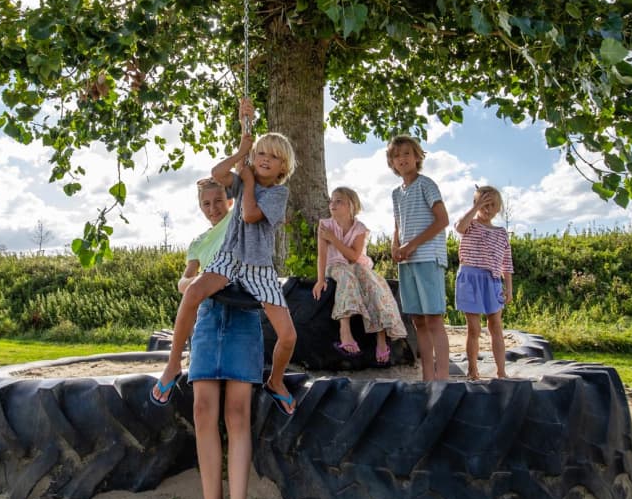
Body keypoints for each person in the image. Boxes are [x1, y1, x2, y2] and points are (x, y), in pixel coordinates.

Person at [153, 97, 299, 415]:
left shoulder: (278, 193)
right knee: (192, 292)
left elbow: (249, 215)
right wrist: (241, 151)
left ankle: (275, 381)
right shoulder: (240, 174)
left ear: (282, 167)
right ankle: (173, 364)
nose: (264, 159)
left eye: (272, 157)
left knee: (288, 335)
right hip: (229, 258)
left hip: (258, 267)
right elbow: (218, 172)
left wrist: (246, 180)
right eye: (261, 153)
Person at [181, 177, 263, 499]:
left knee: (237, 413)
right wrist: (191, 282)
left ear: (229, 201)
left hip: (243, 314)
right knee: (202, 410)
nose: (213, 208)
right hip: (208, 318)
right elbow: (186, 279)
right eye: (206, 204)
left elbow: (246, 179)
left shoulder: (238, 221)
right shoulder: (198, 243)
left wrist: (245, 131)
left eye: (218, 201)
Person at [312, 186, 406, 364]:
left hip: (356, 264)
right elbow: (322, 255)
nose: (333, 204)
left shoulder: (360, 228)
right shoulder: (325, 224)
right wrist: (320, 280)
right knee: (346, 278)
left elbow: (354, 256)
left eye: (339, 200)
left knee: (373, 284)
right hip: (336, 265)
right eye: (332, 200)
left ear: (351, 205)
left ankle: (381, 336)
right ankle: (345, 331)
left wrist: (333, 239)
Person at [387, 135, 450, 381]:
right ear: (391, 163)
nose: (401, 159)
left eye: (406, 153)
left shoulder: (426, 184)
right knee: (417, 321)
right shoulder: (396, 193)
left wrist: (412, 244)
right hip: (407, 262)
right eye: (396, 155)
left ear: (417, 157)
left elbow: (442, 220)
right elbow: (398, 225)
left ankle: (442, 377)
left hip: (427, 258)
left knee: (433, 318)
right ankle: (427, 378)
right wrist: (396, 245)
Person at [454, 185, 514, 380]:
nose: (487, 209)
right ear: (476, 205)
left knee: (495, 325)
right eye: (483, 205)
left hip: (493, 280)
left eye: (492, 205)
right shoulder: (469, 224)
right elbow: (459, 227)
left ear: (499, 208)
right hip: (470, 278)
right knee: (474, 328)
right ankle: (472, 370)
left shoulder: (501, 233)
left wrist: (509, 289)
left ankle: (501, 371)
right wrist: (475, 207)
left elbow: (507, 264)